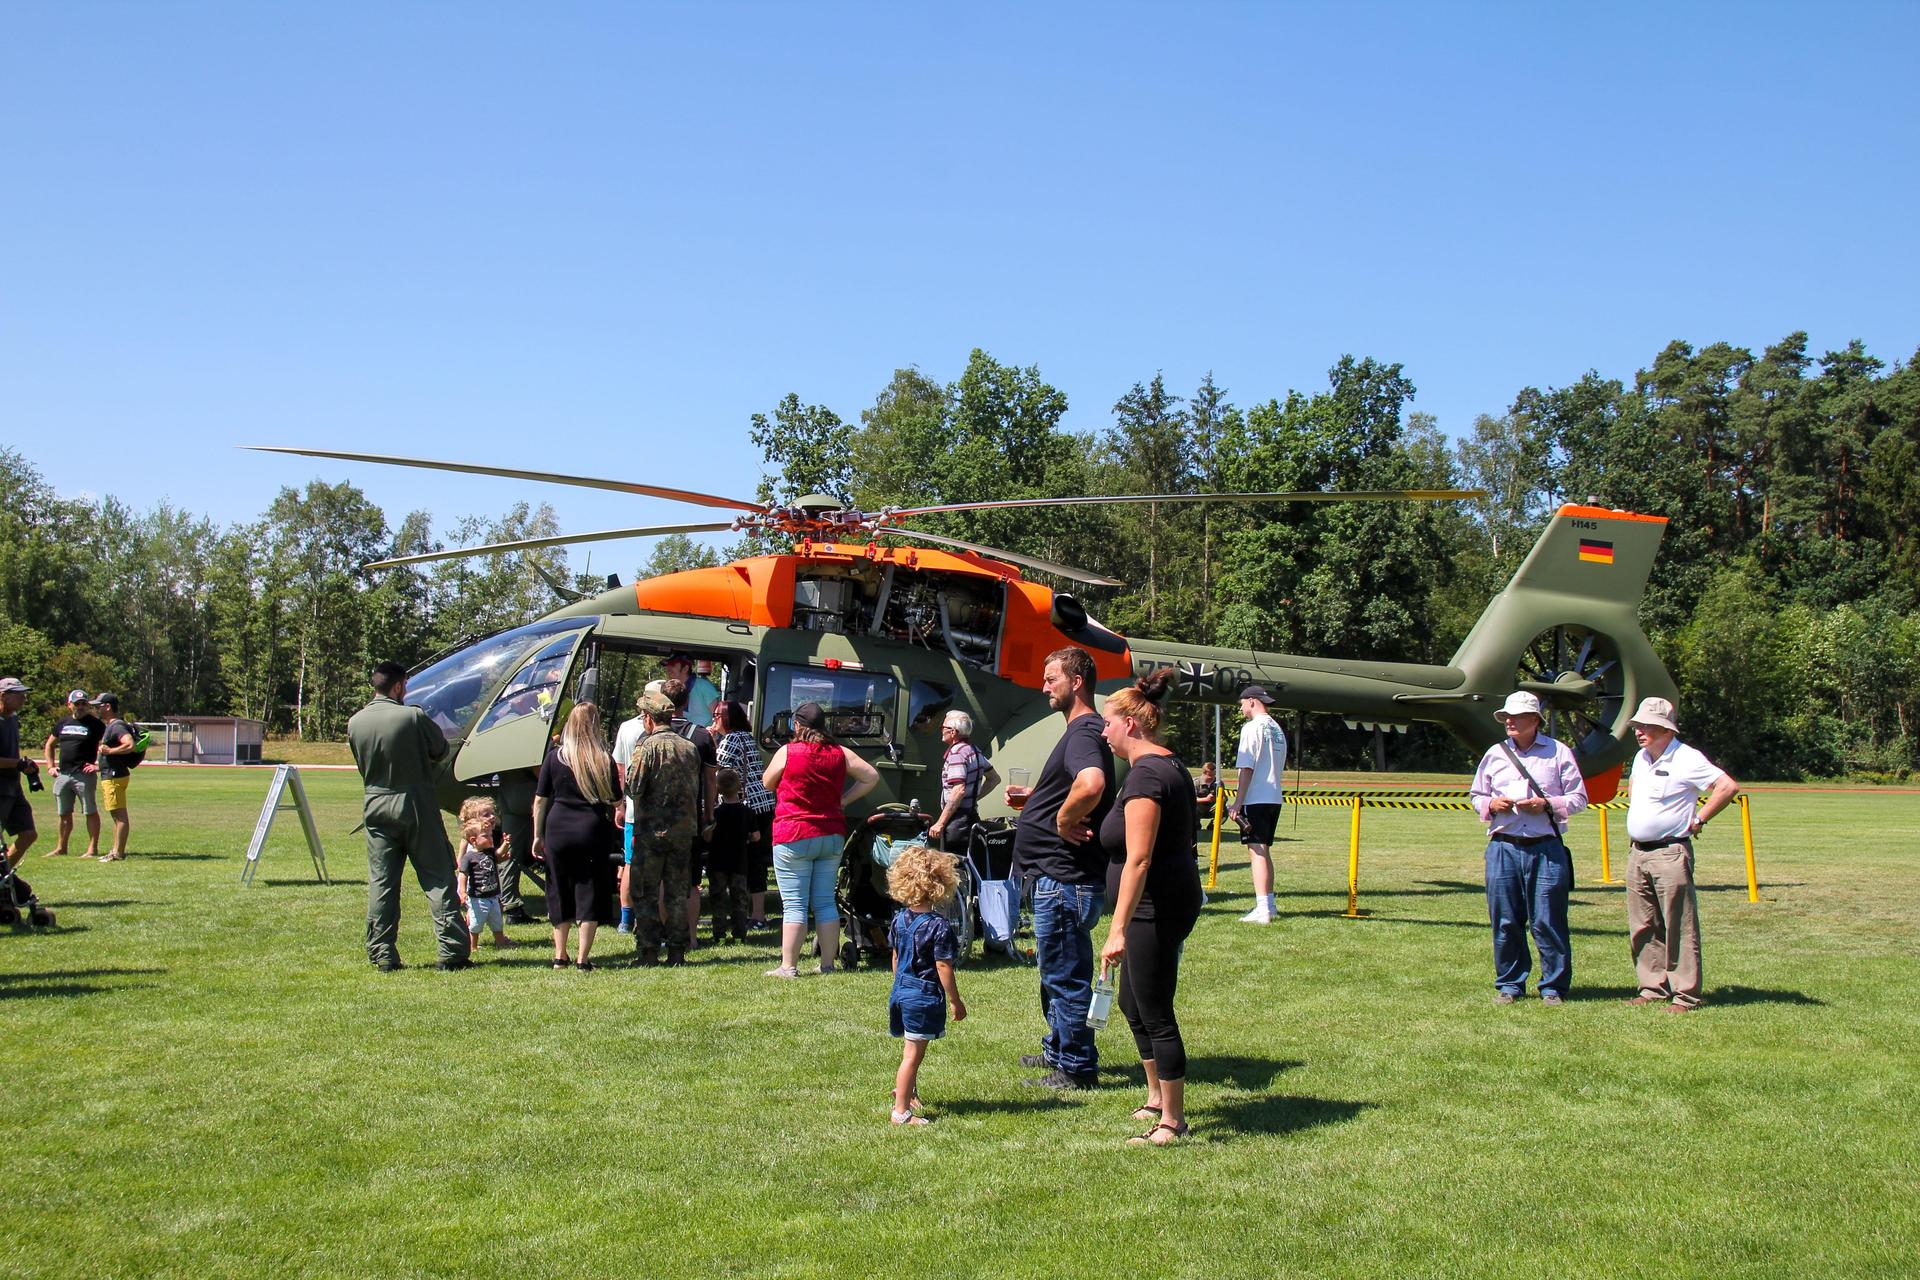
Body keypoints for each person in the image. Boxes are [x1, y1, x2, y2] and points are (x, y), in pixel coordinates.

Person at [1097, 668, 1204, 1145]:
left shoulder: (1147, 776)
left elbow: (1139, 859)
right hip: (1159, 901)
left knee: (1155, 1007)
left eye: (1108, 723)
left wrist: (1117, 929)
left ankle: (1173, 1121)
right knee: (1130, 1001)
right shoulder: (1165, 765)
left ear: (1131, 725)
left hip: (1153, 907)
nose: (1104, 732)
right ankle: (1156, 1096)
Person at [1012, 647, 1115, 1090]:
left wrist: (1061, 819)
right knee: (1054, 971)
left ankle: (1076, 1068)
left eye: (1051, 678)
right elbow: (1076, 784)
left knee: (1066, 975)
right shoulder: (1082, 732)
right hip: (1057, 878)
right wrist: (1039, 797)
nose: (1043, 686)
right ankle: (1058, 1049)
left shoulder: (1084, 732)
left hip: (1064, 880)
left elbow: (1091, 783)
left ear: (1076, 682)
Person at [347, 661, 470, 972]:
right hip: (415, 804)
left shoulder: (356, 722)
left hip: (375, 804)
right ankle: (453, 951)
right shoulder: (412, 716)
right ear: (400, 687)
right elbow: (440, 748)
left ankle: (383, 954)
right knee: (437, 877)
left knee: (382, 883)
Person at [1468, 691, 1589, 1005]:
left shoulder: (1559, 752)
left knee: (1547, 920)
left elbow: (1579, 798)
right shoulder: (1495, 753)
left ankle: (1553, 987)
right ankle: (1509, 985)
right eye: (1506, 717)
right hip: (1503, 847)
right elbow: (1476, 796)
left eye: (1516, 717)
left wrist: (1547, 804)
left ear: (1535, 721)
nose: (1509, 721)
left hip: (1546, 848)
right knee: (1505, 920)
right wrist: (1491, 804)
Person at [1622, 696, 1740, 1013]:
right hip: (1638, 854)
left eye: (1645, 726)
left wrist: (1699, 819)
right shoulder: (1641, 757)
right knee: (1643, 925)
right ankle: (1651, 987)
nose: (1638, 731)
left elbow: (1727, 787)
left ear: (1664, 728)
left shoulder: (1687, 758)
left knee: (1679, 925)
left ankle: (1685, 994)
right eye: (1637, 725)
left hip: (1670, 852)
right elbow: (1634, 789)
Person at [762, 701, 879, 978]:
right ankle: (828, 965)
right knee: (825, 902)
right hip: (831, 833)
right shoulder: (840, 752)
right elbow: (871, 776)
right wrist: (844, 800)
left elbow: (767, 782)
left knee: (794, 904)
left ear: (798, 725)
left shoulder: (787, 752)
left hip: (794, 833)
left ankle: (788, 966)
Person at [884, 844, 967, 1126]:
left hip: (901, 991)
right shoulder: (938, 926)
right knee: (912, 1055)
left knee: (911, 1045)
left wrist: (899, 984)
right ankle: (901, 1112)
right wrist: (955, 1000)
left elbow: (895, 956)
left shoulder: (899, 920)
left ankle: (909, 1092)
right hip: (922, 993)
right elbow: (943, 966)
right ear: (941, 883)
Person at [534, 702, 620, 971]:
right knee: (589, 889)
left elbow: (539, 800)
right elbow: (615, 798)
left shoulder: (554, 757)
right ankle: (583, 958)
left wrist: (538, 835)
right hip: (590, 828)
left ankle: (560, 955)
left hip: (557, 826)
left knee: (558, 887)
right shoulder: (602, 759)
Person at [623, 690, 702, 966]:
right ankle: (677, 951)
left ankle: (648, 950)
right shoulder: (689, 747)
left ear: (648, 718)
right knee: (677, 893)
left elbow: (634, 788)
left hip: (652, 832)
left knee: (645, 892)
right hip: (683, 832)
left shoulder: (647, 747)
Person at [663, 677, 720, 950]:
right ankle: (692, 938)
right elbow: (711, 780)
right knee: (691, 882)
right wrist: (709, 813)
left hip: (658, 818)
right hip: (691, 817)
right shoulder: (701, 735)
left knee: (662, 880)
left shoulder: (648, 733)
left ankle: (666, 935)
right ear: (686, 702)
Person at [712, 699, 775, 928]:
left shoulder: (730, 739)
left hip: (745, 804)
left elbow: (714, 769)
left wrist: (710, 741)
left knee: (743, 861)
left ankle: (751, 914)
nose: (714, 720)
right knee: (756, 859)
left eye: (718, 716)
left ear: (728, 718)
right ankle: (757, 913)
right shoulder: (746, 737)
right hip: (763, 803)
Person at [1228, 685, 1287, 923]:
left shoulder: (1251, 728)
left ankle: (1263, 908)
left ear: (1252, 701)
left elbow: (1247, 768)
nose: (1241, 708)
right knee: (1263, 850)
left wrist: (1237, 802)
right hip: (1274, 796)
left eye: (1242, 703)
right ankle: (1268, 904)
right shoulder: (1276, 728)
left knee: (1257, 852)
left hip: (1256, 797)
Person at [928, 709, 999, 856]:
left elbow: (958, 790)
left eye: (943, 728)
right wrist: (973, 797)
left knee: (953, 868)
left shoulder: (957, 754)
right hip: (972, 817)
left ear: (953, 732)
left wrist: (940, 823)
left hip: (957, 823)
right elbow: (994, 779)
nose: (941, 731)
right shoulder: (974, 751)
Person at [43, 690, 104, 859]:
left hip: (83, 775)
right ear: (69, 705)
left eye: (84, 703)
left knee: (89, 811)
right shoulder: (63, 723)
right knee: (64, 813)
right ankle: (61, 848)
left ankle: (92, 849)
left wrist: (98, 765)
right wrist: (50, 766)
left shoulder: (96, 724)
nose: (81, 707)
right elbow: (49, 745)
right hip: (63, 775)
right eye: (77, 703)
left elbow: (106, 745)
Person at [707, 767, 753, 944]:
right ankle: (740, 933)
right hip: (739, 862)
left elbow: (709, 836)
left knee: (718, 898)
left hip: (717, 861)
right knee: (739, 899)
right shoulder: (747, 812)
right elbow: (755, 836)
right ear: (739, 786)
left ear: (717, 789)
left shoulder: (716, 813)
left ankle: (718, 934)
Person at [457, 817, 515, 957]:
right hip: (477, 898)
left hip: (493, 896)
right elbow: (463, 875)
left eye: (491, 835)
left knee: (497, 922)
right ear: (473, 840)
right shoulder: (469, 857)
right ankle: (473, 946)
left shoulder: (489, 852)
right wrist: (463, 892)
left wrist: (506, 844)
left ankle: (500, 943)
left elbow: (499, 855)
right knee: (476, 924)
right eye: (486, 836)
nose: (490, 838)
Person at [0, 677, 40, 863]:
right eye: (19, 694)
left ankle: (3, 877)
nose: (24, 698)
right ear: (4, 696)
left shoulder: (13, 718)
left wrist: (25, 764)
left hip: (13, 787)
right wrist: (17, 763)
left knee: (29, 833)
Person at [94, 694, 138, 861]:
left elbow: (129, 744)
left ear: (107, 707)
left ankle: (118, 853)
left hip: (114, 777)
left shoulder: (116, 726)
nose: (96, 709)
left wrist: (109, 751)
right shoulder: (110, 726)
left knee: (120, 817)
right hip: (111, 775)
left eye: (98, 706)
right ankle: (115, 850)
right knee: (116, 816)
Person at [662, 652, 719, 725]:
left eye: (672, 665)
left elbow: (718, 718)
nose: (667, 668)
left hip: (702, 735)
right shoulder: (670, 689)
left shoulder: (704, 686)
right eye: (667, 665)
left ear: (685, 668)